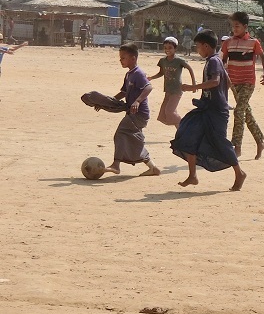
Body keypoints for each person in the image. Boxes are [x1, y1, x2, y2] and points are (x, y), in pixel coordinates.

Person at [171, 29, 247, 192]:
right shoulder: (216, 60)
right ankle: (193, 175)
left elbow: (215, 81)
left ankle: (239, 173)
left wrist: (193, 87)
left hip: (216, 111)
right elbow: (226, 81)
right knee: (188, 134)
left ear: (206, 46)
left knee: (220, 142)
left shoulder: (213, 61)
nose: (197, 49)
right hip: (206, 107)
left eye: (198, 46)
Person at [80, 43, 161, 177]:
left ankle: (116, 165)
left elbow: (148, 87)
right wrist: (106, 103)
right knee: (134, 141)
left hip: (139, 114)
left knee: (121, 133)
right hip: (132, 112)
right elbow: (123, 92)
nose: (120, 60)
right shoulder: (129, 75)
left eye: (123, 58)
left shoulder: (139, 73)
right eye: (120, 58)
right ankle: (153, 168)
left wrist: (137, 101)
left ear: (133, 58)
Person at [221, 11, 264, 159]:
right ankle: (260, 141)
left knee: (238, 111)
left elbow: (263, 56)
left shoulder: (253, 42)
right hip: (234, 83)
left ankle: (237, 146)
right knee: (246, 114)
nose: (234, 29)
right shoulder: (228, 42)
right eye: (233, 26)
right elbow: (223, 60)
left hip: (248, 82)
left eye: (237, 26)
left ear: (245, 27)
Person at [148, 36, 195, 126]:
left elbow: (190, 69)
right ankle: (181, 134)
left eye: (170, 48)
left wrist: (193, 84)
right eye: (165, 48)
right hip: (168, 90)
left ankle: (185, 127)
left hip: (177, 90)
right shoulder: (163, 61)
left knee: (169, 112)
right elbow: (161, 73)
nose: (167, 50)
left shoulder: (179, 60)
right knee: (165, 114)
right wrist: (151, 77)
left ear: (175, 48)